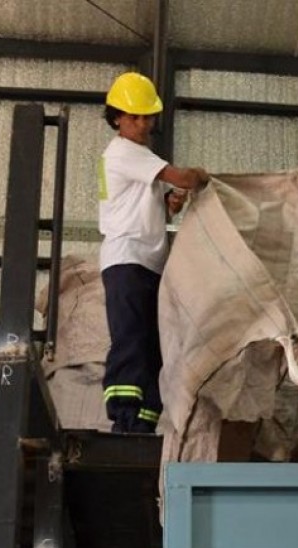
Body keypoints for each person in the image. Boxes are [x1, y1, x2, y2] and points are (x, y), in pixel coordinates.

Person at [98, 71, 209, 434]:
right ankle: (125, 419)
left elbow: (157, 206)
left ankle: (144, 420)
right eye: (135, 116)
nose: (143, 123)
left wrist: (171, 203)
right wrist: (200, 177)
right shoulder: (123, 152)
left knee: (150, 346)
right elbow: (183, 178)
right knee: (131, 340)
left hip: (147, 263)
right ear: (116, 117)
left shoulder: (141, 157)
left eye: (147, 116)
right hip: (127, 259)